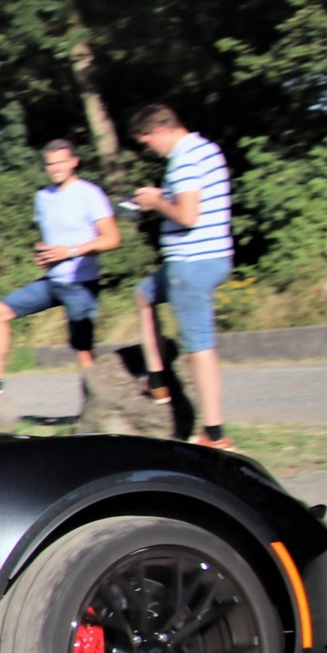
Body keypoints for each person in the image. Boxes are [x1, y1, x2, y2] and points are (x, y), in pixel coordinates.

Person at [0, 139, 120, 401]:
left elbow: (112, 238)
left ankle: (101, 409)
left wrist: (70, 251)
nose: (55, 168)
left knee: (83, 351)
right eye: (50, 164)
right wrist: (42, 251)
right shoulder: (43, 197)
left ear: (74, 162)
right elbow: (51, 237)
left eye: (61, 162)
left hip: (80, 282)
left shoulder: (90, 194)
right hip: (52, 281)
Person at [128, 103, 236, 448]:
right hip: (214, 255)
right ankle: (157, 377)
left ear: (161, 130)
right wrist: (161, 198)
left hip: (191, 262)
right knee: (144, 294)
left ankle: (214, 433)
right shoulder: (207, 149)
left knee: (198, 348)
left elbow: (188, 216)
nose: (149, 149)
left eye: (147, 142)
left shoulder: (183, 159)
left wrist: (156, 202)